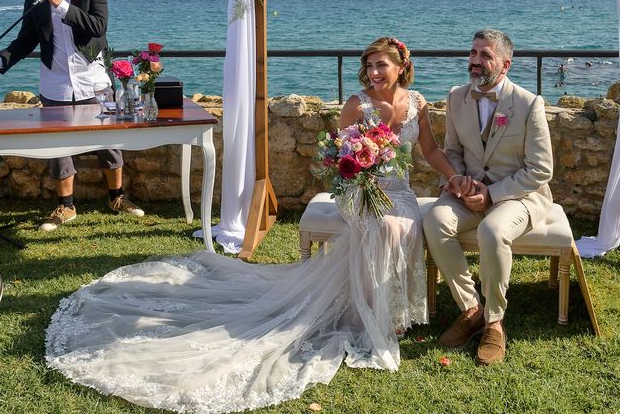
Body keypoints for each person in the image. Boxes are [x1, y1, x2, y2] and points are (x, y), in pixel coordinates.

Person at [44, 37, 466, 413]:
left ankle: (393, 311)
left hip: (399, 190)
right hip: (357, 190)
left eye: (382, 66)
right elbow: (339, 160)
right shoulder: (357, 104)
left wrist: (453, 178)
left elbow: (428, 149)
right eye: (370, 65)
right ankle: (371, 315)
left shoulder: (418, 103)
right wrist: (358, 174)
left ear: (400, 68)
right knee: (384, 228)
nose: (374, 73)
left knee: (404, 224)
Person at [0, 0, 143, 232]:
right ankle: (66, 206)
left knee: (109, 143)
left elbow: (97, 27)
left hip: (94, 82)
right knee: (59, 148)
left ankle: (116, 198)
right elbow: (25, 41)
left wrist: (62, 4)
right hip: (55, 85)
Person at [422, 29, 553, 366]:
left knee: (492, 231)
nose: (475, 61)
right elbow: (451, 152)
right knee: (435, 220)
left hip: (518, 196)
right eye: (473, 53)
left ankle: (494, 321)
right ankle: (470, 309)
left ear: (505, 64)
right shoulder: (455, 97)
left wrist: (491, 194)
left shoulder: (528, 104)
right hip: (468, 193)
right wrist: (458, 182)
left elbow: (540, 169)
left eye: (485, 55)